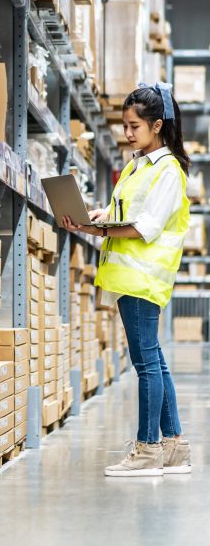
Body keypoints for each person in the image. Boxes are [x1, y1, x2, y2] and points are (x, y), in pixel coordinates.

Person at [62, 82, 191, 477]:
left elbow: (145, 227)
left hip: (142, 280)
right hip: (129, 278)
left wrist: (95, 230)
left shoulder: (167, 170)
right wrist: (99, 215)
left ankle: (147, 450)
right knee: (154, 362)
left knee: (146, 364)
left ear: (157, 126)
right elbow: (127, 212)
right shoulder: (138, 165)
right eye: (125, 125)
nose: (128, 133)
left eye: (135, 126)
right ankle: (173, 447)